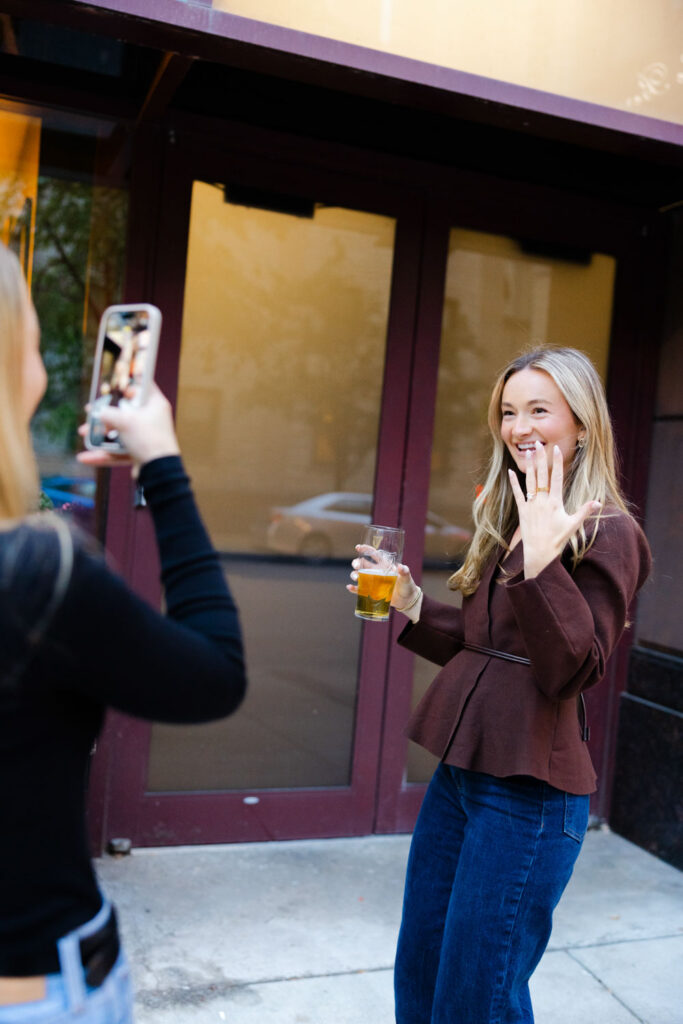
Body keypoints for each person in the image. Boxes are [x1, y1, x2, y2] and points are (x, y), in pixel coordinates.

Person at [349, 346, 651, 1024]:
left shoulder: (607, 531)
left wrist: (542, 559)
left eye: (538, 409)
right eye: (508, 411)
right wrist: (413, 604)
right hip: (461, 777)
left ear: (581, 424)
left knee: (475, 998)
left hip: (530, 796)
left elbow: (573, 667)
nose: (519, 426)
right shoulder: (515, 517)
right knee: (422, 974)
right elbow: (492, 647)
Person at [0, 243, 246, 1023]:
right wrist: (163, 467)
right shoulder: (36, 574)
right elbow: (215, 673)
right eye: (33, 342)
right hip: (36, 986)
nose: (41, 365)